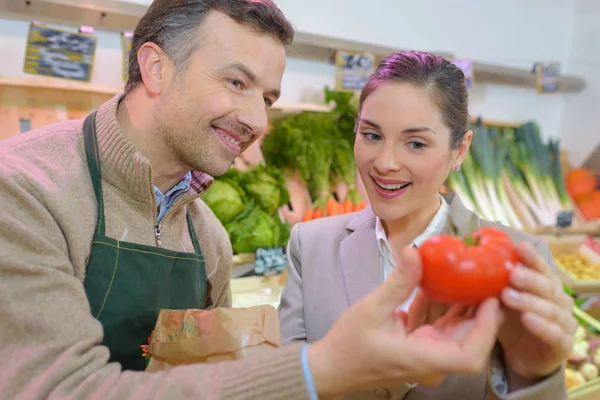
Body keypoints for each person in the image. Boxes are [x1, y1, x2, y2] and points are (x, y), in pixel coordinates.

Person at [0, 2, 516, 399]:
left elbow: (210, 378)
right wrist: (320, 369)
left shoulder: (208, 238)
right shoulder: (24, 190)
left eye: (266, 98)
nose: (258, 121)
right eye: (236, 82)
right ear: (155, 68)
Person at [278, 50, 575, 400]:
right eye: (371, 135)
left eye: (416, 143)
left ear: (460, 151)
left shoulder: (516, 258)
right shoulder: (310, 244)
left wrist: (535, 375)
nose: (385, 163)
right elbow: (286, 383)